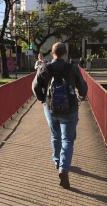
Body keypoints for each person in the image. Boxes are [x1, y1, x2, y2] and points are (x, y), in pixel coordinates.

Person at [32, 42, 87, 189]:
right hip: (70, 109)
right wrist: (82, 95)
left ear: (53, 53)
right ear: (65, 53)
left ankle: (57, 161)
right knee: (68, 140)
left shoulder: (45, 67)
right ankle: (64, 168)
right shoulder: (72, 68)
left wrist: (42, 98)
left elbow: (35, 86)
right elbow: (82, 87)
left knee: (55, 136)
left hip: (51, 108)